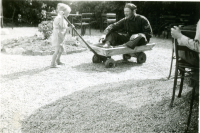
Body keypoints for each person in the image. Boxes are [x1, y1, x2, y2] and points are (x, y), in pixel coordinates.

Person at [50, 3, 71, 68]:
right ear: (63, 12)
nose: (68, 14)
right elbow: (61, 26)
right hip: (57, 36)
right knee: (57, 50)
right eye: (67, 13)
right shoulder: (58, 18)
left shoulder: (63, 19)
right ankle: (52, 63)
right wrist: (62, 17)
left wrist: (70, 27)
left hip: (61, 36)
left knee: (61, 49)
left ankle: (58, 60)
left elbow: (64, 27)